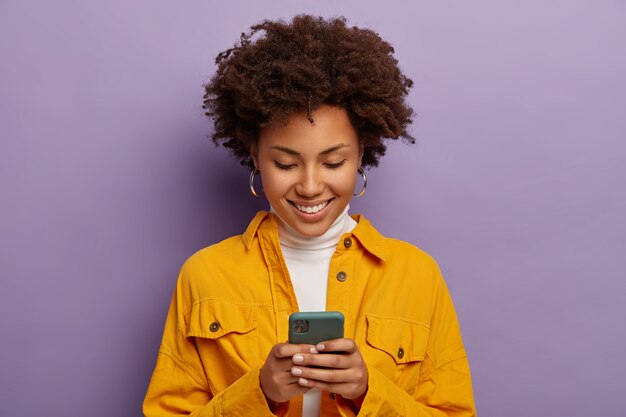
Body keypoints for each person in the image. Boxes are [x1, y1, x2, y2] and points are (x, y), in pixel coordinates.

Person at [143, 15, 476, 417]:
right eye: (285, 164)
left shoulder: (418, 276)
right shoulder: (204, 275)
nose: (310, 186)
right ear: (256, 157)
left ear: (360, 156)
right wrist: (259, 392)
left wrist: (368, 392)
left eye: (334, 161)